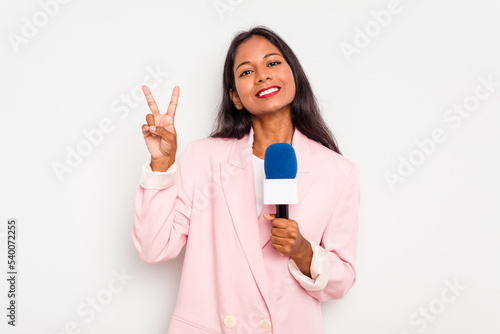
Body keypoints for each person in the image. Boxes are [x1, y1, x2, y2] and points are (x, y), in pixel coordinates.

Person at [132, 26, 360, 334]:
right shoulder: (204, 158)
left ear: (295, 75)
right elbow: (153, 249)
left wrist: (304, 252)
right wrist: (161, 164)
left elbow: (342, 280)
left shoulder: (338, 172)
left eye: (273, 63)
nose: (263, 75)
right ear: (235, 97)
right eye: (246, 71)